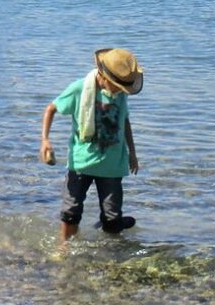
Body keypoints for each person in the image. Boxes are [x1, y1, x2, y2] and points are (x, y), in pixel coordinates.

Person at [39, 48, 143, 242]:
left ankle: (112, 252)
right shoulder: (79, 89)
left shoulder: (121, 93)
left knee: (112, 219)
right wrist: (45, 140)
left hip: (112, 166)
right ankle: (64, 249)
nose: (120, 91)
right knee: (71, 212)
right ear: (103, 76)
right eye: (117, 86)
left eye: (123, 88)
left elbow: (125, 121)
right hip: (81, 163)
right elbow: (51, 108)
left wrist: (132, 152)